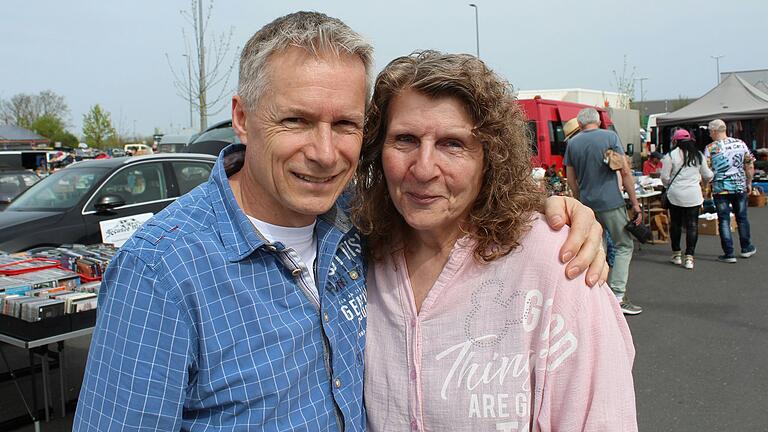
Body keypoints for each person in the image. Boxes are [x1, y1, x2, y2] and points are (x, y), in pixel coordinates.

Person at [73, 12, 606, 431]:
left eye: (345, 124)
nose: (325, 154)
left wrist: (555, 212)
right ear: (241, 118)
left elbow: (453, 196)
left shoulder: (356, 222)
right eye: (297, 120)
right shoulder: (161, 273)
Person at [354, 51, 637, 431]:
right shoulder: (356, 253)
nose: (423, 169)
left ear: (491, 157)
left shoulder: (560, 265)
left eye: (452, 144)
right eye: (404, 139)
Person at [564, 107, 644, 315]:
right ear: (598, 121)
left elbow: (571, 179)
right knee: (624, 244)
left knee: (596, 248)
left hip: (588, 202)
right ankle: (618, 294)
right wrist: (634, 203)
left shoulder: (572, 143)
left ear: (580, 125)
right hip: (611, 201)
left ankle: (597, 294)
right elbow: (624, 171)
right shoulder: (610, 137)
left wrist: (579, 200)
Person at [705, 118, 757, 263]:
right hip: (739, 186)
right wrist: (749, 182)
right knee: (742, 218)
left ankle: (729, 253)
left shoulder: (710, 148)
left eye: (710, 131)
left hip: (720, 189)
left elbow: (707, 171)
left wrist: (707, 185)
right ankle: (746, 247)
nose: (709, 134)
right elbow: (749, 165)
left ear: (715, 131)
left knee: (724, 220)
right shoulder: (740, 144)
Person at [660, 133, 713, 269]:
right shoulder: (698, 155)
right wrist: (704, 181)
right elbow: (707, 175)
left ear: (675, 141)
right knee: (692, 225)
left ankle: (676, 254)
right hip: (693, 195)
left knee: (676, 224)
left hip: (675, 194)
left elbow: (664, 177)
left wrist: (669, 185)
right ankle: (689, 257)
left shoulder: (670, 156)